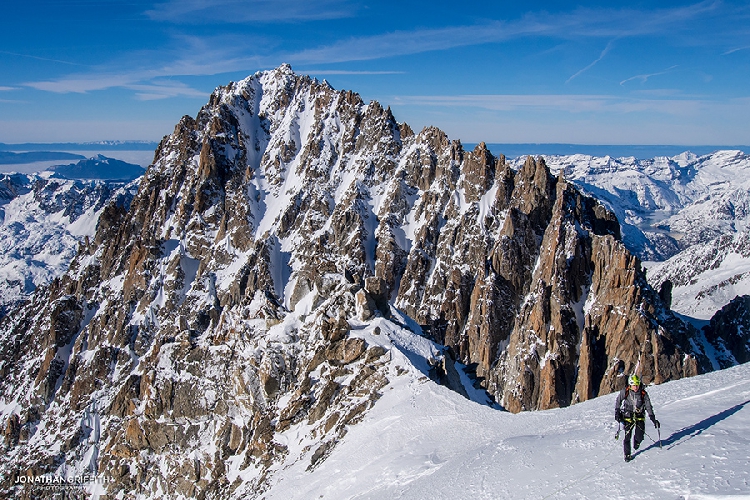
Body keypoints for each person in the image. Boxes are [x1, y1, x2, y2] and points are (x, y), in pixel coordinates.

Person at [614, 374, 660, 462]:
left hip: (639, 416)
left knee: (640, 435)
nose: (636, 387)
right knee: (627, 437)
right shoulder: (626, 391)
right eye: (634, 385)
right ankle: (627, 454)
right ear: (630, 385)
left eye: (637, 385)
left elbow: (648, 407)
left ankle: (637, 442)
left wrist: (653, 419)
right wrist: (617, 412)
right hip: (628, 416)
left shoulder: (643, 394)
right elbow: (618, 400)